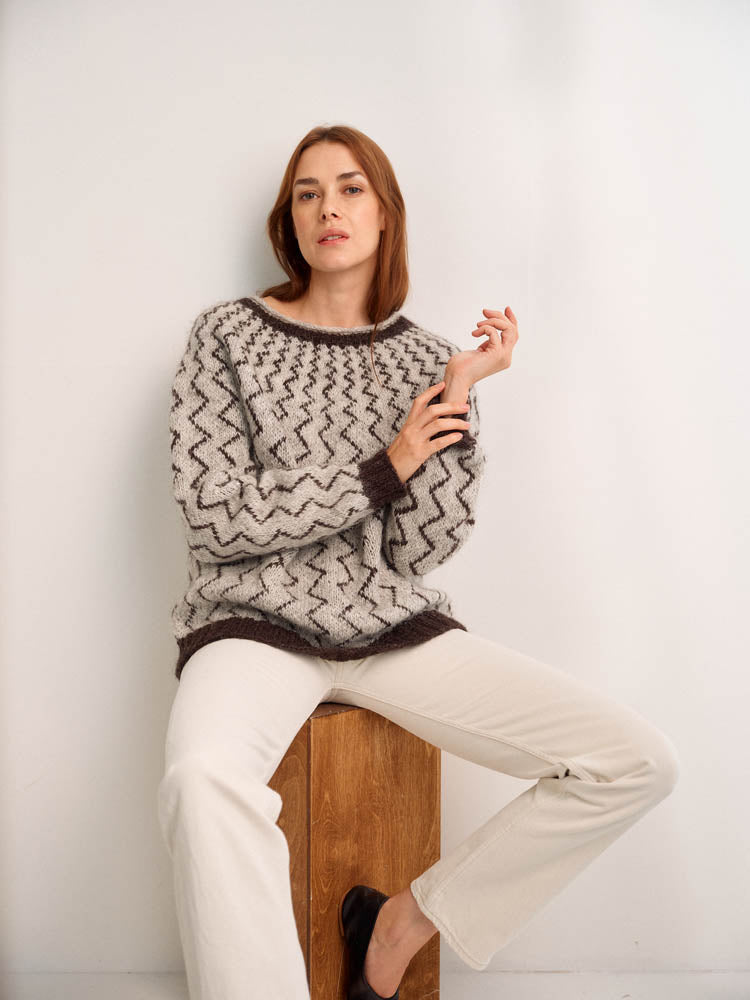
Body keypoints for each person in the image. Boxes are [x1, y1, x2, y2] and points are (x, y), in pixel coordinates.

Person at [156, 124, 680, 1000]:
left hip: (391, 629)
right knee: (201, 780)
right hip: (251, 626)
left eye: (351, 188)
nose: (328, 207)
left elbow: (417, 549)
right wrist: (382, 467)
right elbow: (215, 515)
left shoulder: (429, 361)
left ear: (386, 214)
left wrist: (458, 400)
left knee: (634, 761)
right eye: (308, 192)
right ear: (289, 220)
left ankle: (401, 923)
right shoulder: (228, 336)